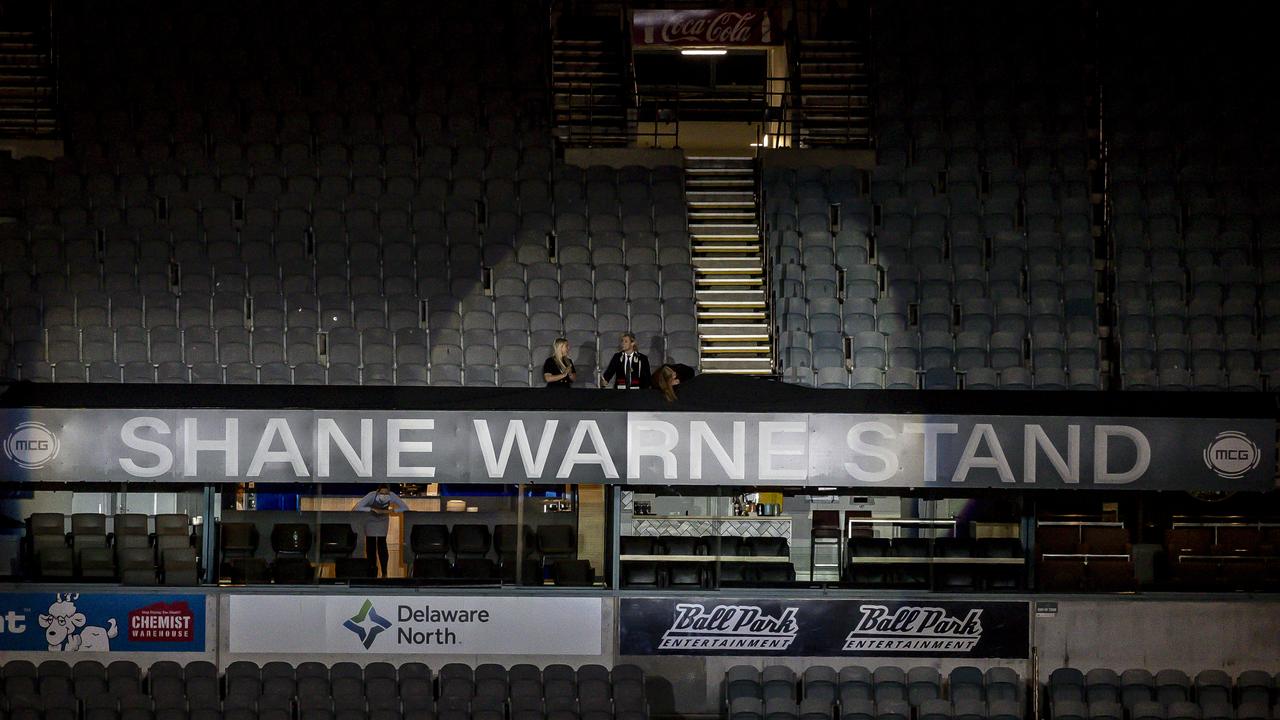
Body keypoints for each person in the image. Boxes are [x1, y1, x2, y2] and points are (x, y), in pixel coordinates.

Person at [353, 483, 409, 577]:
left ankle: (384, 572)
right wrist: (372, 509)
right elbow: (357, 508)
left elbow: (405, 508)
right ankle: (372, 571)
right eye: (382, 493)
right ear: (377, 492)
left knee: (382, 543)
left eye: (386, 493)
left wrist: (391, 511)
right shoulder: (371, 495)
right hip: (370, 520)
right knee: (371, 544)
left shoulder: (392, 496)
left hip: (383, 520)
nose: (384, 495)